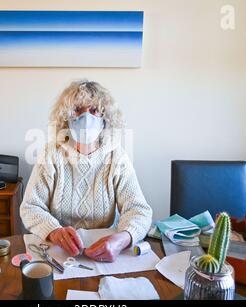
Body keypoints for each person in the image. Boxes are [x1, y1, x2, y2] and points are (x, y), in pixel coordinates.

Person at [20, 80, 153, 262]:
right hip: (59, 253)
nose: (86, 118)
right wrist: (54, 231)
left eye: (93, 110)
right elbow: (30, 207)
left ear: (105, 117)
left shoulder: (116, 156)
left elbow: (139, 210)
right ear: (66, 117)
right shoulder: (51, 153)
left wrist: (122, 239)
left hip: (103, 251)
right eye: (77, 110)